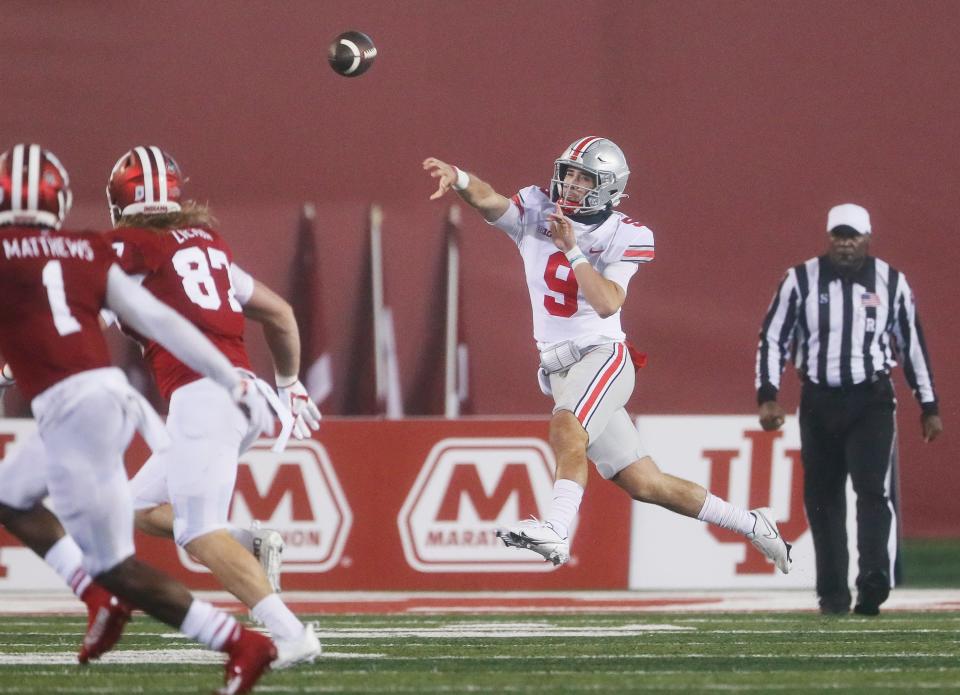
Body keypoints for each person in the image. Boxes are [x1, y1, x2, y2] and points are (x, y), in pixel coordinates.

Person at [423, 137, 792, 574]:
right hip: (558, 367)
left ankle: (558, 529)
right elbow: (489, 200)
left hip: (602, 355)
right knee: (645, 483)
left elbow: (607, 302)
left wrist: (572, 249)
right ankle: (752, 523)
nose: (572, 184)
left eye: (585, 178)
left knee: (566, 427)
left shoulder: (625, 233)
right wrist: (460, 178)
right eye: (570, 173)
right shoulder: (538, 210)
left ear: (609, 187)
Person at [0, 143, 277, 693]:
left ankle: (240, 640)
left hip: (74, 409)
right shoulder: (83, 249)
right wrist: (232, 378)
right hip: (105, 400)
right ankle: (101, 596)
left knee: (116, 565)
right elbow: (161, 320)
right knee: (11, 495)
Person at [99, 145, 322, 666]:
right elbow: (281, 314)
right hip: (243, 394)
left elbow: (84, 321)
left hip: (203, 398)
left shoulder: (130, 250)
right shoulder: (208, 245)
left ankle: (291, 635)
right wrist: (289, 384)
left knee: (199, 532)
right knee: (135, 507)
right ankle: (248, 541)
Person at [756, 202, 942, 616]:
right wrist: (767, 394)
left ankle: (874, 577)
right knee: (822, 499)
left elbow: (911, 346)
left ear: (867, 239)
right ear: (829, 238)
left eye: (853, 237)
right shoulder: (800, 280)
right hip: (819, 398)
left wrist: (928, 404)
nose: (845, 245)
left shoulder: (891, 282)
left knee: (871, 490)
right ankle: (833, 594)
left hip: (870, 399)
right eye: (839, 236)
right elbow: (773, 338)